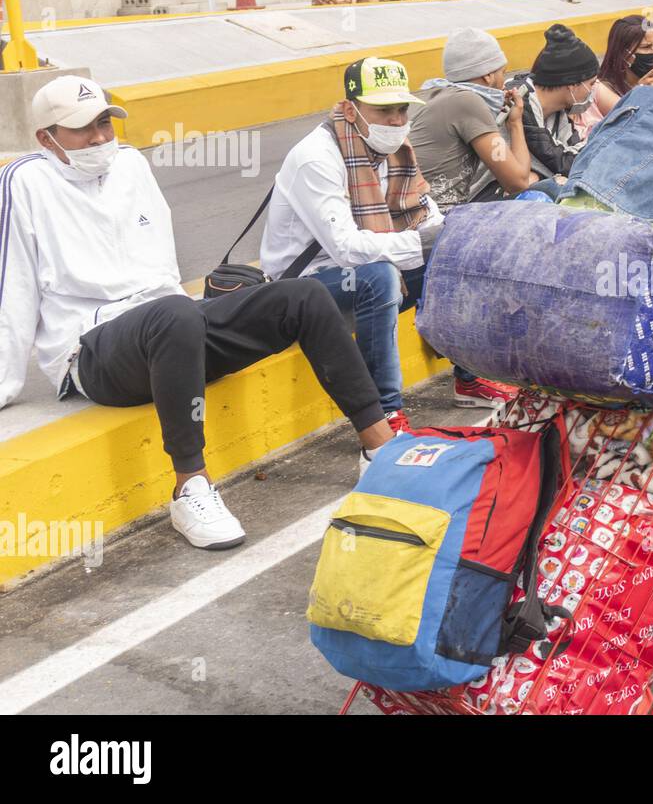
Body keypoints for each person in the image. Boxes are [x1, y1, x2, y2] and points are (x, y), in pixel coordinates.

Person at [0, 76, 400, 550]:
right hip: (95, 351)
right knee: (174, 314)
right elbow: (14, 285)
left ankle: (380, 449)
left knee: (303, 296)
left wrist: (201, 321)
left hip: (174, 330)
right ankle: (190, 487)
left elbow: (161, 263)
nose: (101, 137)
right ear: (47, 138)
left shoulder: (130, 164)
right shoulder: (25, 180)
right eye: (84, 129)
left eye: (105, 122)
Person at [261, 57, 513, 418]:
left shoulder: (395, 151)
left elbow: (429, 215)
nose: (396, 121)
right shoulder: (316, 159)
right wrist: (427, 243)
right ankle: (385, 413)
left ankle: (470, 379)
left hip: (362, 270)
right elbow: (346, 249)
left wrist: (451, 237)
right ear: (351, 109)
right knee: (379, 277)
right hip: (305, 286)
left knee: (457, 255)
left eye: (401, 110)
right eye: (383, 111)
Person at [410, 27, 534, 209]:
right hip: (436, 218)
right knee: (540, 194)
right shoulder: (467, 101)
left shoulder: (440, 94)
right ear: (488, 75)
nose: (503, 83)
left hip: (425, 212)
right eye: (502, 72)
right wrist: (515, 123)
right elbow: (518, 183)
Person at [501, 24, 600, 186]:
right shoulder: (521, 101)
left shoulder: (558, 112)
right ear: (572, 85)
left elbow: (575, 151)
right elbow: (561, 162)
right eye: (591, 83)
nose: (593, 90)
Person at [581, 14, 653, 134]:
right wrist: (640, 93)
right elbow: (628, 124)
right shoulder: (603, 89)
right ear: (624, 53)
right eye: (646, 47)